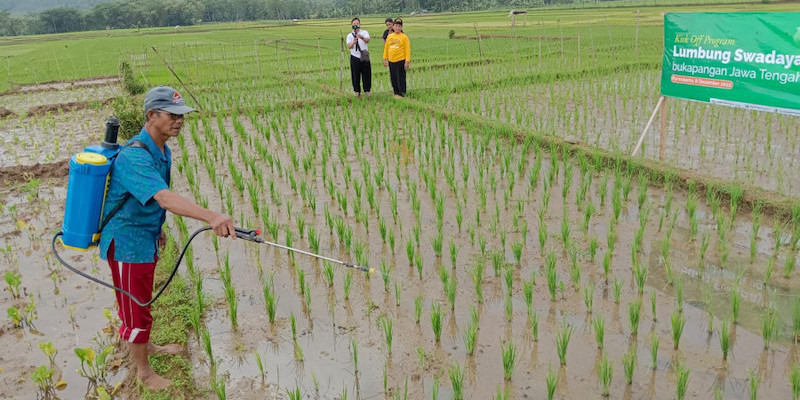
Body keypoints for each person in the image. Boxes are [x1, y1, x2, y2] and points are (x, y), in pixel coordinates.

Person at [99, 86, 236, 390]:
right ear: (151, 115)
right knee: (136, 309)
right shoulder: (135, 156)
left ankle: (146, 349)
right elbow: (163, 197)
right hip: (126, 245)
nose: (179, 121)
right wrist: (212, 216)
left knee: (142, 302)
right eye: (173, 115)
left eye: (182, 116)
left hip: (143, 238)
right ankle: (145, 374)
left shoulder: (162, 151)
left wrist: (158, 228)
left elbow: (144, 199)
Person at [383, 18, 411, 98]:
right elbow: (386, 48)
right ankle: (396, 92)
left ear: (401, 27)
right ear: (393, 27)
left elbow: (407, 49)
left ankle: (402, 92)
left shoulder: (404, 37)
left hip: (400, 60)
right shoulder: (390, 36)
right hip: (391, 60)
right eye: (396, 26)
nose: (397, 28)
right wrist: (385, 58)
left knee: (401, 77)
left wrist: (407, 61)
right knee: (393, 77)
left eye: (399, 26)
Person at [346, 17, 371, 98]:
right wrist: (354, 42)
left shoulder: (364, 32)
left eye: (357, 23)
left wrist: (361, 37)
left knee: (366, 74)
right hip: (354, 56)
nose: (356, 25)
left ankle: (367, 90)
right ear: (351, 25)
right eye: (354, 24)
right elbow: (349, 46)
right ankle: (357, 91)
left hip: (364, 55)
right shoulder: (350, 35)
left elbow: (367, 40)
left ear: (360, 24)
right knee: (355, 75)